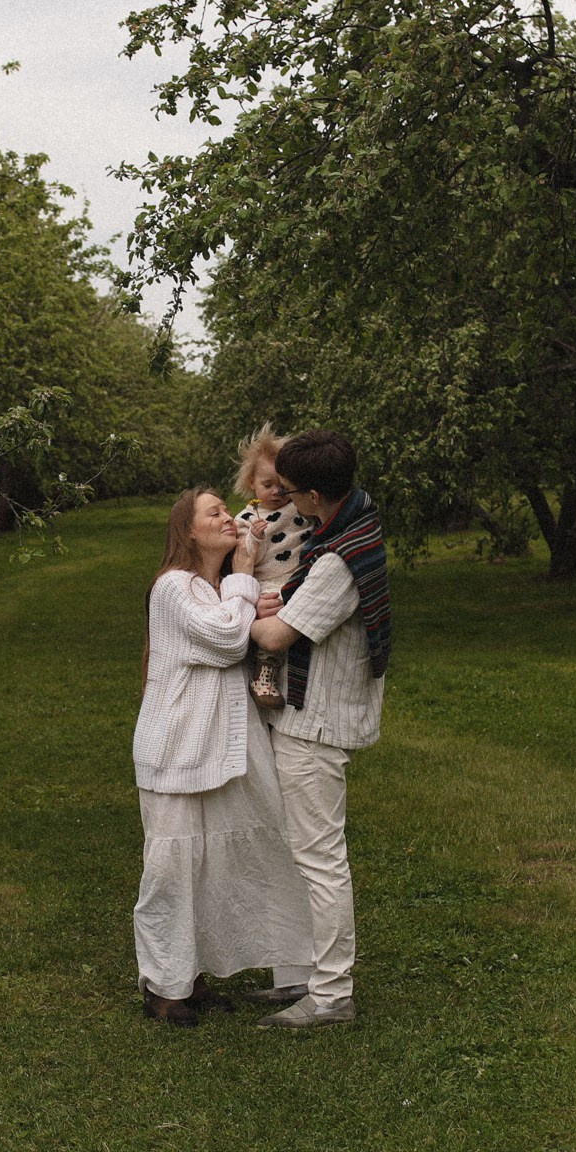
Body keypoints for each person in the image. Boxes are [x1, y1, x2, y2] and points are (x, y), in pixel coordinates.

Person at [130, 487, 315, 1027]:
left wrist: (249, 590)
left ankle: (195, 975)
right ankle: (164, 988)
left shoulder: (216, 587)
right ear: (188, 531)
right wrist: (243, 579)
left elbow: (247, 630)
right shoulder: (173, 586)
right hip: (177, 746)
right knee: (172, 865)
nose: (228, 518)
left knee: (229, 858)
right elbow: (226, 638)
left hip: (224, 742)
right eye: (213, 513)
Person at [245, 429, 389, 1030]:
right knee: (307, 852)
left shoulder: (337, 558)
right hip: (315, 713)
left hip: (317, 722)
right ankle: (310, 973)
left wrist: (237, 610)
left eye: (293, 491)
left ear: (310, 494)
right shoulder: (352, 524)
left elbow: (279, 638)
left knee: (321, 859)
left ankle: (331, 994)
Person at [232, 425, 317, 708]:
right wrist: (254, 538)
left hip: (302, 574)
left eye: (282, 485)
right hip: (269, 580)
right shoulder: (247, 518)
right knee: (274, 622)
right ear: (251, 484)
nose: (277, 492)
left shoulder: (299, 507)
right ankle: (264, 675)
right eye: (267, 485)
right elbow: (242, 561)